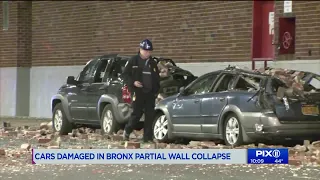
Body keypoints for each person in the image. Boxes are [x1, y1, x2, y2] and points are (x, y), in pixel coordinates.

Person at [122, 39, 160, 143]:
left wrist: (156, 91)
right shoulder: (133, 60)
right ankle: (127, 131)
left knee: (150, 115)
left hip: (150, 93)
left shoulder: (152, 63)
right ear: (140, 50)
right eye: (146, 51)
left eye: (149, 51)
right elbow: (125, 75)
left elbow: (156, 78)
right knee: (136, 114)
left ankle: (147, 137)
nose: (148, 53)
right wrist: (133, 82)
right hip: (138, 92)